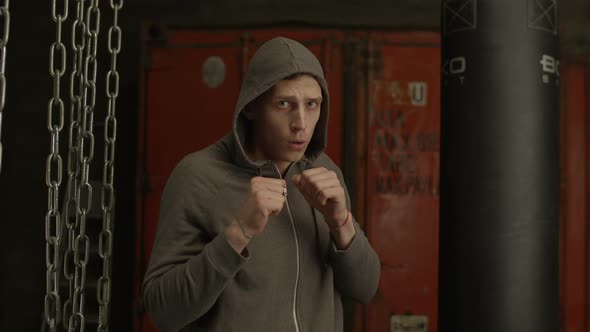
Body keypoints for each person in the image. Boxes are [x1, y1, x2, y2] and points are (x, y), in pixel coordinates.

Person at [142, 36, 381, 332]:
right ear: (251, 106)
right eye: (284, 104)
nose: (301, 123)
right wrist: (238, 233)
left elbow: (365, 288)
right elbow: (162, 311)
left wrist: (341, 224)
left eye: (312, 104)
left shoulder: (324, 171)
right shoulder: (198, 175)